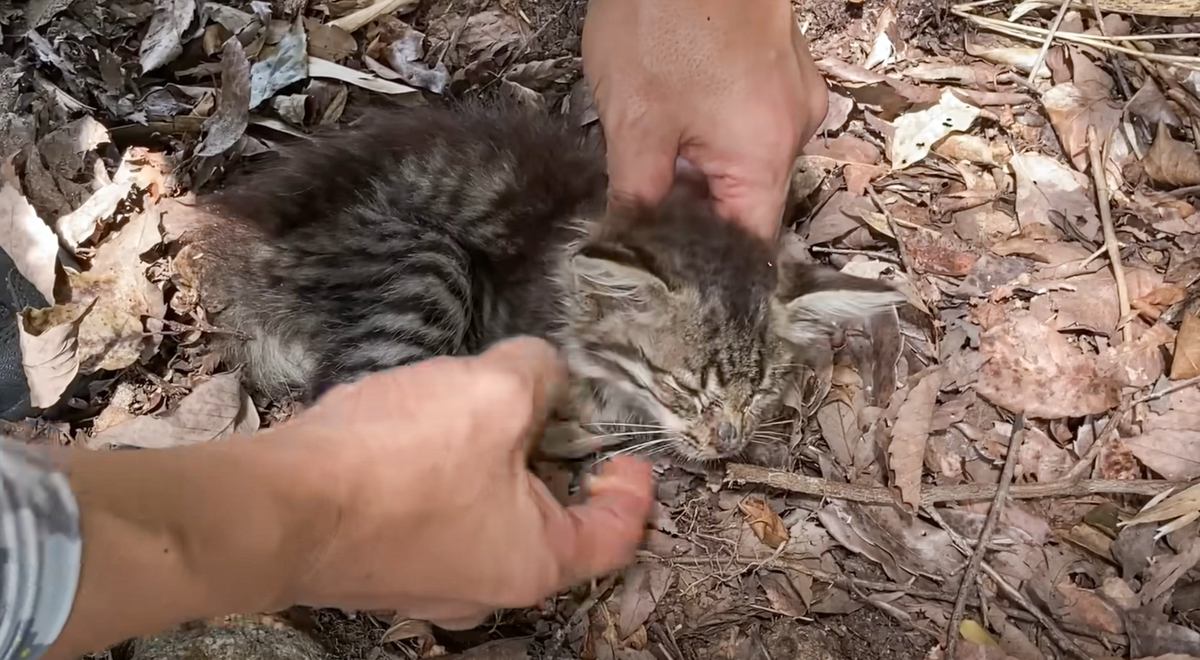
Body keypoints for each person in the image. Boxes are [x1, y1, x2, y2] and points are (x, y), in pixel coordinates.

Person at [0, 1, 828, 658]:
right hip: (337, 257)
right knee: (432, 284)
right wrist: (344, 511)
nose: (721, 439)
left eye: (747, 404)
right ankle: (359, 402)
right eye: (696, 397)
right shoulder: (596, 298)